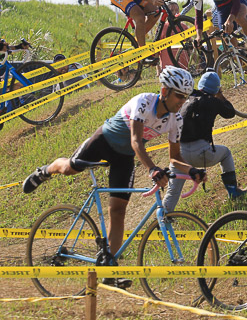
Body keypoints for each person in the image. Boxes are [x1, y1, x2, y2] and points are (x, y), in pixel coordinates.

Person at [22, 66, 207, 287]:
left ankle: (110, 271)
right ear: (165, 91)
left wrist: (192, 170)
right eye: (179, 96)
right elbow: (136, 141)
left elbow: (175, 158)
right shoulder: (144, 102)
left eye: (185, 97)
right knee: (69, 168)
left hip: (124, 157)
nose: (182, 102)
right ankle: (45, 171)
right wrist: (151, 168)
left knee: (118, 211)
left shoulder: (176, 120)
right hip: (104, 141)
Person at [161, 71, 245, 210]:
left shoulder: (185, 98)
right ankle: (233, 191)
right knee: (226, 153)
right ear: (216, 89)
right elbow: (230, 112)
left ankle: (162, 222)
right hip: (202, 153)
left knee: (172, 192)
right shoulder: (213, 101)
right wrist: (220, 95)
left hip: (179, 155)